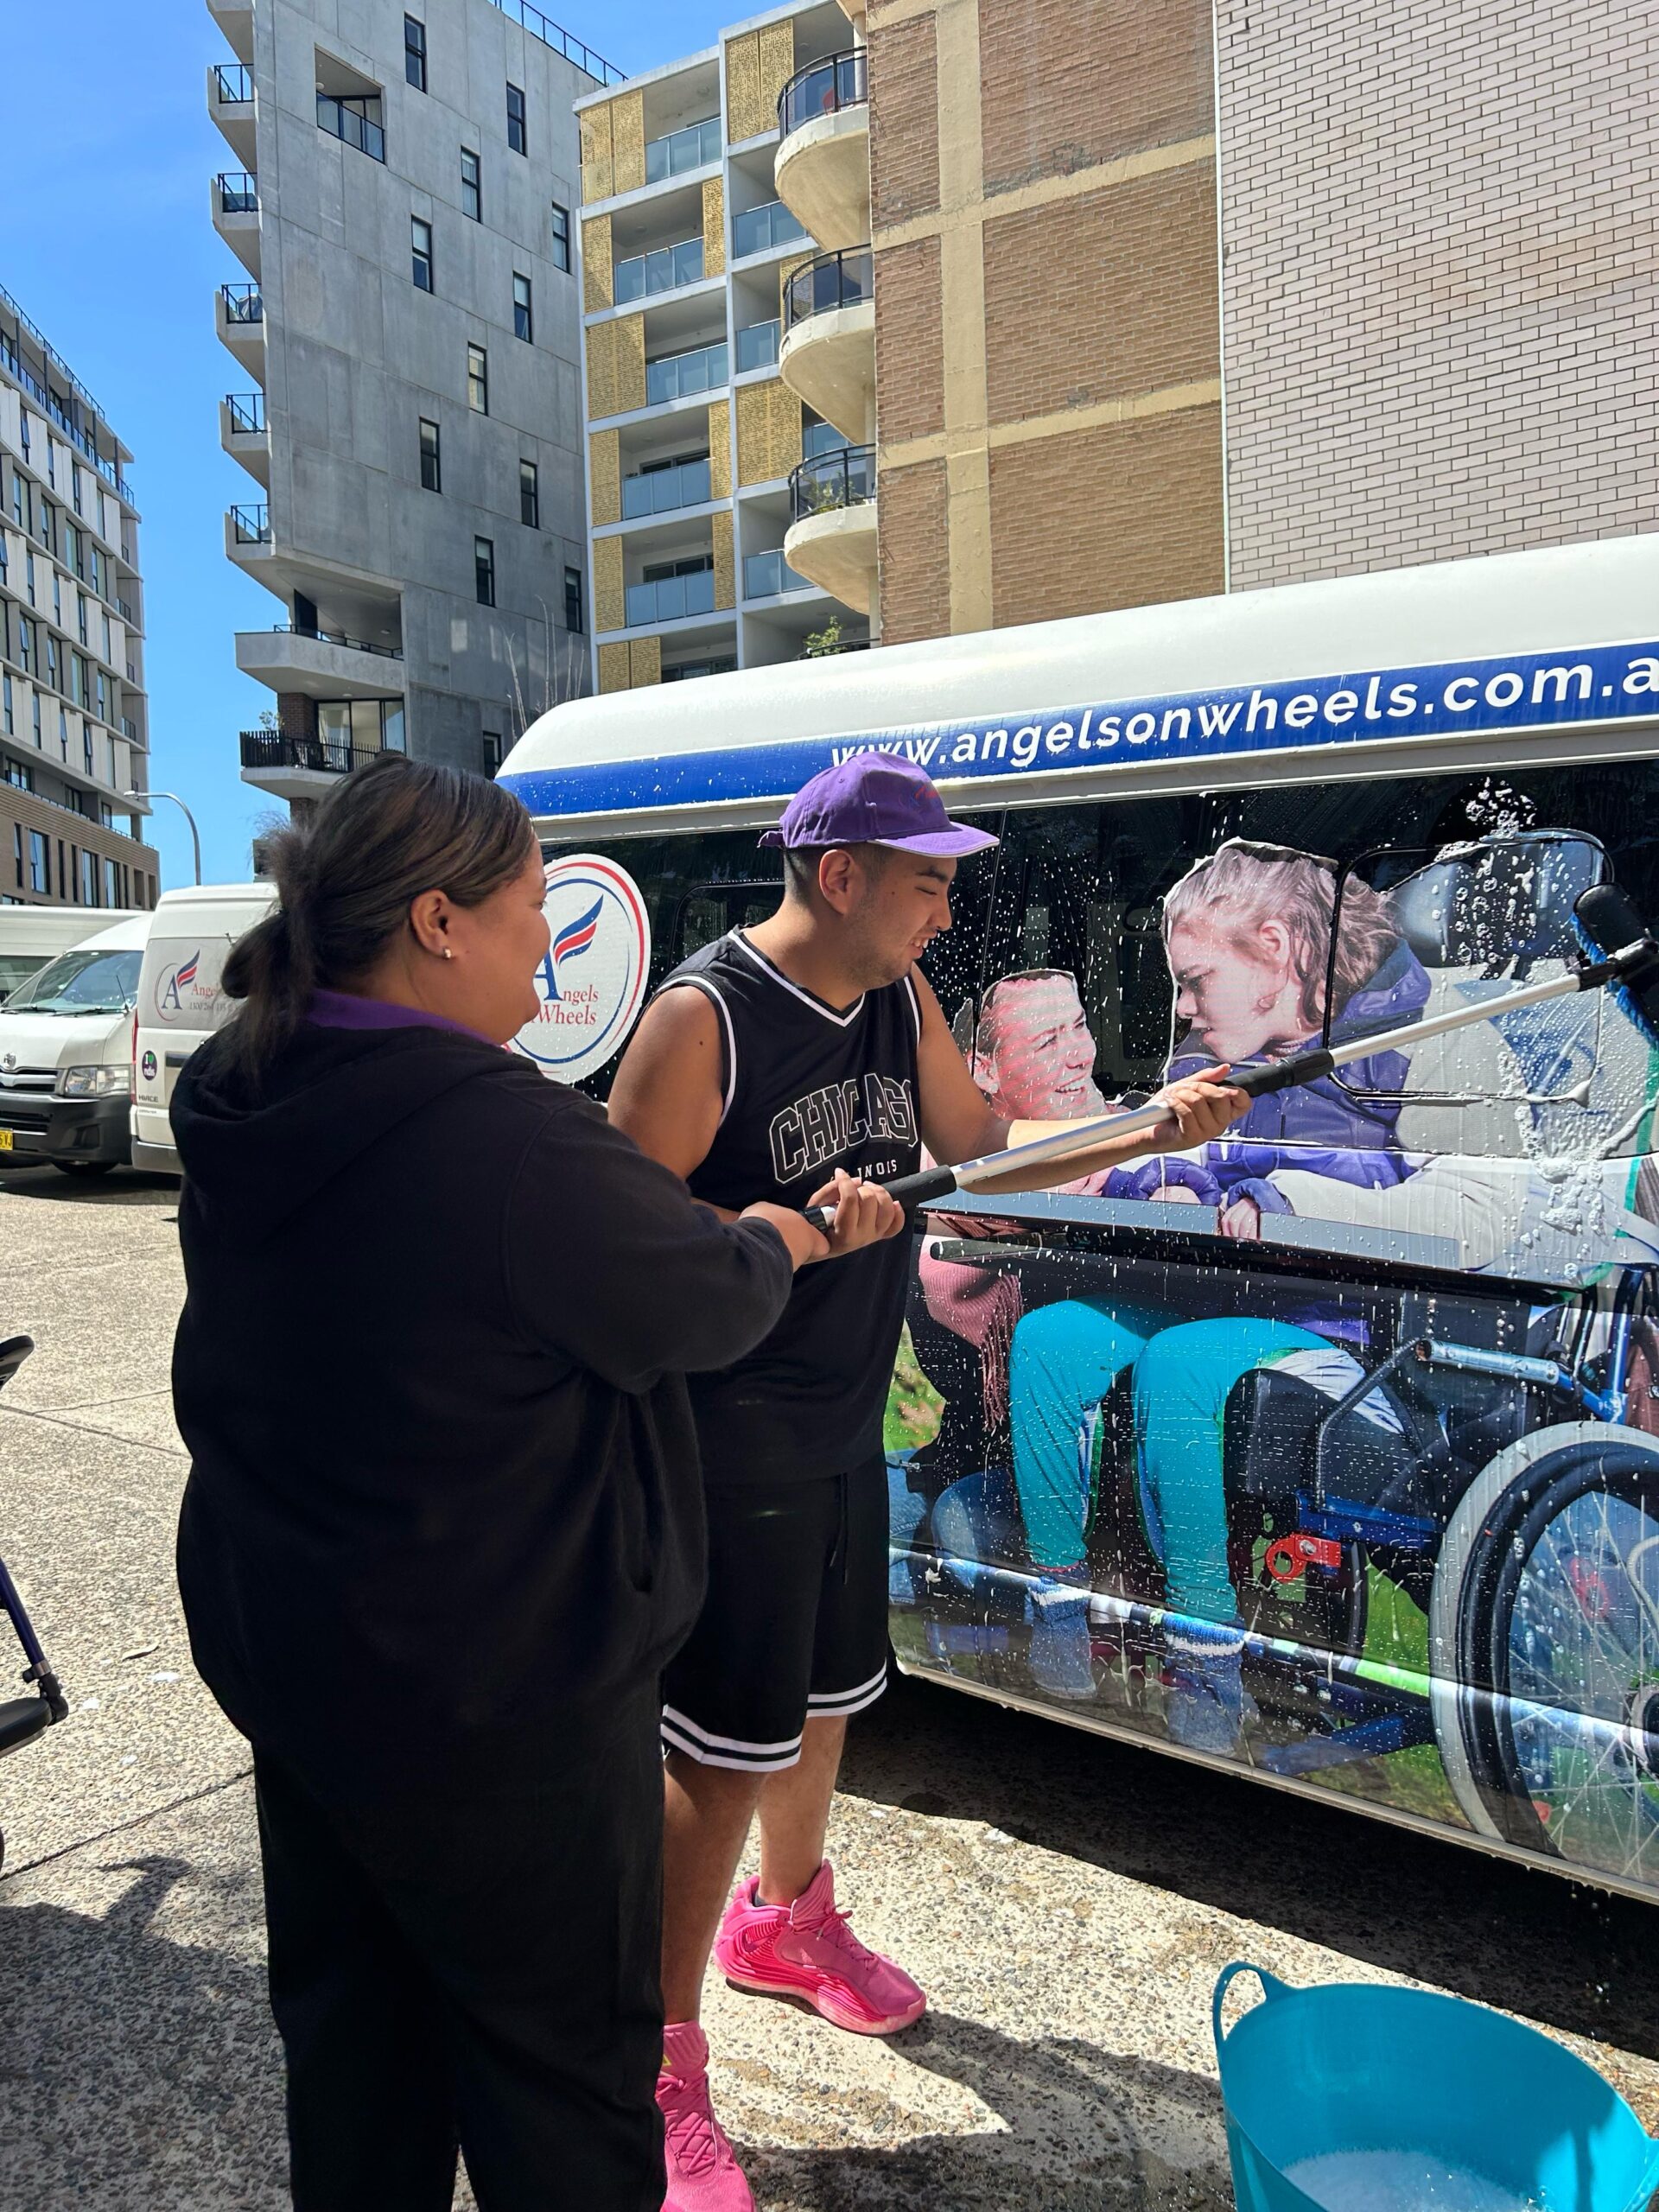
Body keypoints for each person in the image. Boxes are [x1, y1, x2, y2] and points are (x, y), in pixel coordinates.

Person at [169, 755, 898, 2212]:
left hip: (301, 1656)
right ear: (438, 923)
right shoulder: (501, 1137)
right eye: (530, 911)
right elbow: (700, 1298)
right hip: (497, 1698)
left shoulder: (240, 1083)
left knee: (355, 2041)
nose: (550, 951)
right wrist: (789, 1235)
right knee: (560, 2079)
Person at [607, 755, 1245, 2212]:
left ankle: (783, 1923)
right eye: (928, 882)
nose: (947, 910)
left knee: (828, 1700)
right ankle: (649, 2060)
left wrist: (1144, 1128)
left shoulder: (895, 999)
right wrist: (786, 1227)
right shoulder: (704, 1019)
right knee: (719, 1750)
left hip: (842, 1426)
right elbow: (625, 1255)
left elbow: (976, 1149)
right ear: (841, 876)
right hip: (726, 1437)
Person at [1002, 841, 1429, 1744]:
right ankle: (1058, 1606)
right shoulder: (1207, 1056)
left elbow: (1389, 1173)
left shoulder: (1380, 1053)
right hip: (1204, 1293)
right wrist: (1160, 1180)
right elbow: (1151, 1149)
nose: (1182, 1008)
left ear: (1274, 951)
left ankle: (1204, 1650)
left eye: (1196, 982)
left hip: (1325, 1321)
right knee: (1050, 1339)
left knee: (1181, 1363)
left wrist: (1252, 1183)